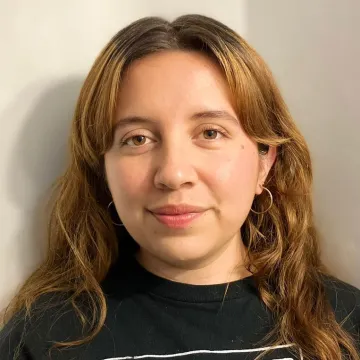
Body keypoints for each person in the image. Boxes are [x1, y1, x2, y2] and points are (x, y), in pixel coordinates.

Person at [0, 13, 359, 360]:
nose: (173, 174)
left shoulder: (346, 325)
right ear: (103, 170)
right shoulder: (41, 339)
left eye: (210, 133)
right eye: (137, 138)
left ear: (264, 163)